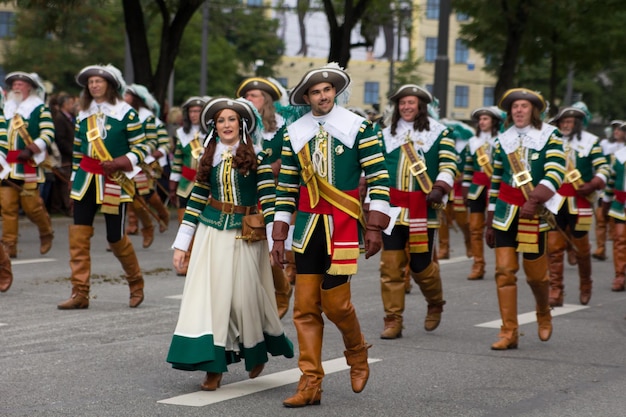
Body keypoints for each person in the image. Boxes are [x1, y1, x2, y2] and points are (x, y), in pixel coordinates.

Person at [270, 63, 391, 407]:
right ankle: (310, 383)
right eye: (315, 92)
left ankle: (357, 352)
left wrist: (375, 226)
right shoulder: (296, 131)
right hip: (308, 229)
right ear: (306, 97)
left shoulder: (359, 127)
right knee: (304, 307)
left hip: (344, 227)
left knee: (336, 305)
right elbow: (287, 186)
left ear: (335, 92)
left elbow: (379, 177)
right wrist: (279, 234)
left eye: (327, 90)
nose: (322, 96)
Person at [167, 97, 294, 391]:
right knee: (211, 300)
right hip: (211, 233)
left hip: (246, 235)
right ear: (215, 126)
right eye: (221, 120)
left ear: (242, 125)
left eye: (231, 120)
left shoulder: (257, 158)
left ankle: (257, 350)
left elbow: (270, 201)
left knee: (245, 299)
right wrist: (182, 244)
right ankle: (214, 368)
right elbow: (196, 199)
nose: (226, 125)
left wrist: (279, 240)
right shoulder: (208, 157)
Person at [57, 64, 150, 310]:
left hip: (113, 180)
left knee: (115, 236)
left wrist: (121, 161)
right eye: (91, 82)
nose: (94, 85)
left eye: (99, 81)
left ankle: (135, 283)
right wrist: (74, 181)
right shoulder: (84, 113)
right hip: (86, 179)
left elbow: (142, 148)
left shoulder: (126, 112)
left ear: (110, 85)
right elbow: (78, 151)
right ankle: (80, 293)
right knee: (79, 234)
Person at [485, 88, 566, 350]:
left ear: (534, 111)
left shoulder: (549, 136)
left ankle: (543, 310)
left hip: (533, 213)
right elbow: (496, 181)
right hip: (505, 214)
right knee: (504, 271)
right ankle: (509, 331)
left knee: (536, 276)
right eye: (515, 107)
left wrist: (534, 200)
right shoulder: (502, 141)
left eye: (524, 106)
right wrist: (489, 220)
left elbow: (556, 171)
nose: (519, 110)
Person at [377, 84, 458, 340]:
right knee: (390, 266)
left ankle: (435, 302)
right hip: (392, 210)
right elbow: (376, 169)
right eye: (402, 103)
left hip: (423, 208)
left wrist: (440, 187)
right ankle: (393, 320)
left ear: (421, 106)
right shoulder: (385, 134)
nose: (406, 107)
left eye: (411, 103)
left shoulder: (440, 133)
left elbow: (449, 164)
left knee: (421, 266)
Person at [236, 77, 293, 319]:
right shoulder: (237, 127)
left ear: (266, 101)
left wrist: (275, 166)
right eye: (247, 96)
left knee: (275, 249)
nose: (250, 100)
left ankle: (282, 289)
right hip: (248, 195)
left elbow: (293, 159)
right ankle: (256, 300)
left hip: (278, 194)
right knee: (249, 250)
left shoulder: (283, 127)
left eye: (255, 96)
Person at [546, 107, 609, 305]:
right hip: (555, 202)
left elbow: (604, 167)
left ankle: (585, 284)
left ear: (578, 124)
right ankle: (556, 290)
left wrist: (594, 183)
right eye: (563, 122)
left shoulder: (591, 141)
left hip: (579, 202)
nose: (566, 125)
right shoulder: (550, 141)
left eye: (570, 122)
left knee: (581, 249)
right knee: (553, 248)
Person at [0, 71, 55, 258]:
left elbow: (48, 133)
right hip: (7, 165)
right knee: (7, 207)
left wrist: (31, 149)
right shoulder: (6, 108)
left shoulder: (39, 108)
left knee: (32, 207)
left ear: (30, 87)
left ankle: (46, 230)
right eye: (14, 84)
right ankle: (9, 246)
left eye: (20, 84)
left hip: (28, 163)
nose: (16, 87)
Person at [123, 84, 169, 248]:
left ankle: (160, 215)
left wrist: (144, 155)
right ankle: (121, 235)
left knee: (145, 194)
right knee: (129, 198)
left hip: (144, 163)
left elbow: (154, 142)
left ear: (136, 99)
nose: (124, 97)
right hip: (126, 162)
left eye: (127, 95)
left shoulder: (147, 118)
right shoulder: (122, 114)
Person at [462, 106, 504, 280]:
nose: (482, 122)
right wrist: (465, 188)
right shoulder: (473, 142)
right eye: (480, 119)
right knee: (474, 228)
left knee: (498, 228)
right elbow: (468, 167)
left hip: (497, 189)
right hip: (477, 189)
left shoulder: (502, 140)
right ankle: (478, 265)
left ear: (494, 121)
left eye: (485, 119)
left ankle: (501, 266)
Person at [169, 96, 207, 276]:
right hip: (185, 184)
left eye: (198, 111)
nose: (194, 115)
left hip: (207, 184)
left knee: (206, 223)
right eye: (191, 111)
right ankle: (187, 258)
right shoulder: (181, 134)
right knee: (185, 222)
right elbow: (177, 159)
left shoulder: (214, 132)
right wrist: (172, 182)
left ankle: (204, 260)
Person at [593, 120, 625, 260]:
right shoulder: (605, 145)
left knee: (615, 221)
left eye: (620, 129)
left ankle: (614, 236)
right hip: (607, 185)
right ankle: (601, 248)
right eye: (615, 129)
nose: (617, 132)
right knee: (601, 217)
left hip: (620, 191)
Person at [50, 92, 75, 217]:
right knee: (66, 183)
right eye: (70, 103)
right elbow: (60, 139)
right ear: (64, 105)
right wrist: (72, 151)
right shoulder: (60, 119)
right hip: (65, 156)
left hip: (70, 155)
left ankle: (61, 206)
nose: (73, 105)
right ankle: (68, 207)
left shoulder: (69, 118)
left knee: (67, 182)